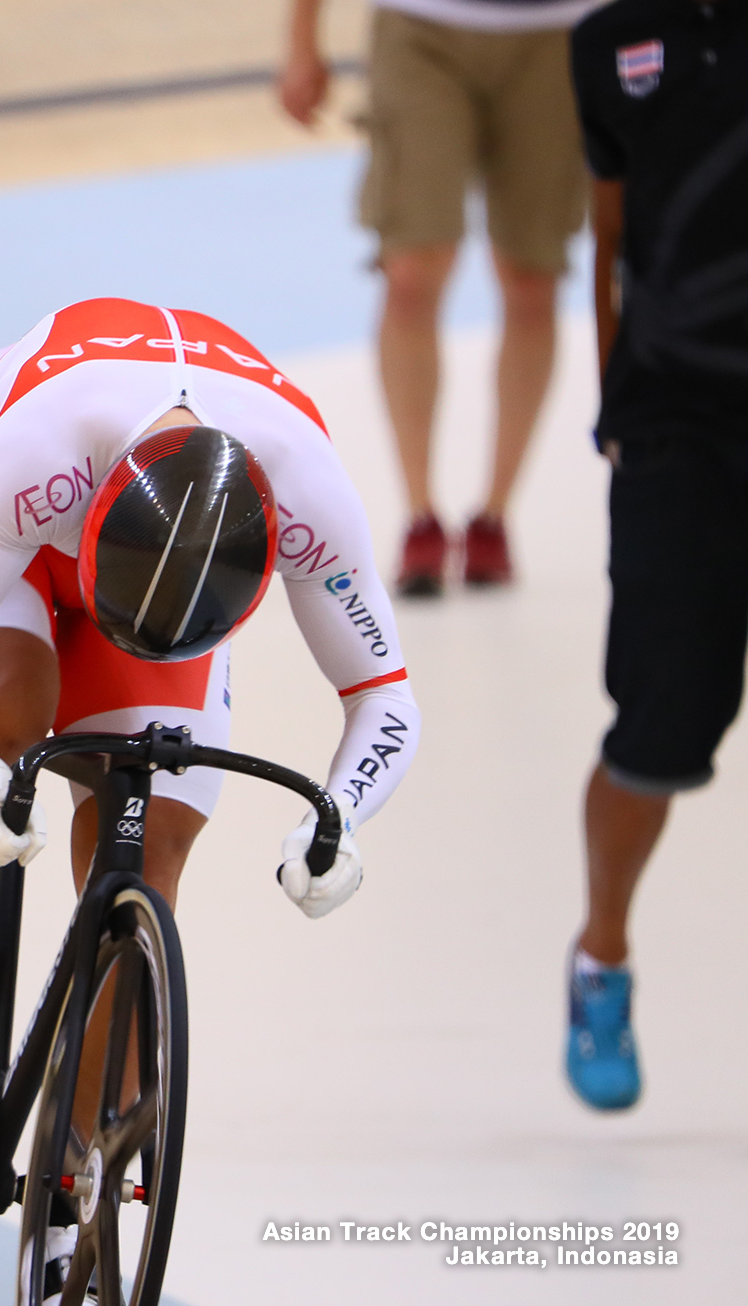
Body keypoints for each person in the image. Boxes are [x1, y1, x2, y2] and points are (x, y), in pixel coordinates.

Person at [0, 296, 422, 1063]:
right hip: (2, 509)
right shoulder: (43, 449)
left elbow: (384, 696)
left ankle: (83, 1160)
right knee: (4, 701)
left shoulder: (310, 494)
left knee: (149, 853)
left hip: (151, 573)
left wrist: (343, 814)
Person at [562, 0, 748, 1113]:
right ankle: (602, 959)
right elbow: (609, 237)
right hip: (676, 429)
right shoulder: (607, 43)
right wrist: (613, 405)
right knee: (656, 739)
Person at [279, 0, 596, 593]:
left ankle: (495, 515)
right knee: (411, 269)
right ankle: (419, 512)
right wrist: (302, 39)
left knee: (533, 273)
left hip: (558, 34)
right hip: (423, 26)